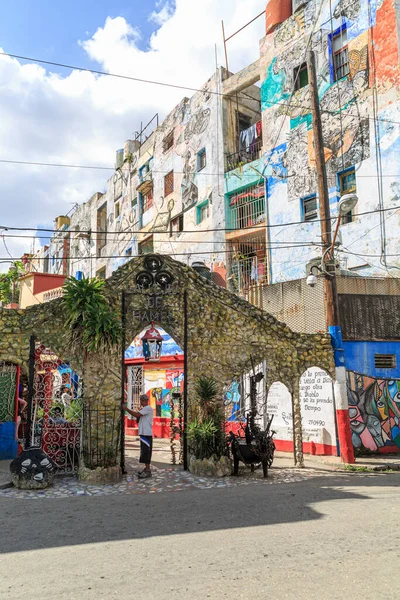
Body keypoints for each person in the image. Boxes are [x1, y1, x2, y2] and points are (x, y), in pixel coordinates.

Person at [122, 394, 153, 479]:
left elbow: (136, 415)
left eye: (141, 401)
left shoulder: (148, 408)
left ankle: (148, 470)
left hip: (146, 433)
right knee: (144, 452)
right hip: (143, 433)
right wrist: (139, 412)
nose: (141, 402)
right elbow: (138, 419)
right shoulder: (144, 409)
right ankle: (146, 469)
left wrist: (126, 409)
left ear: (144, 401)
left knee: (146, 452)